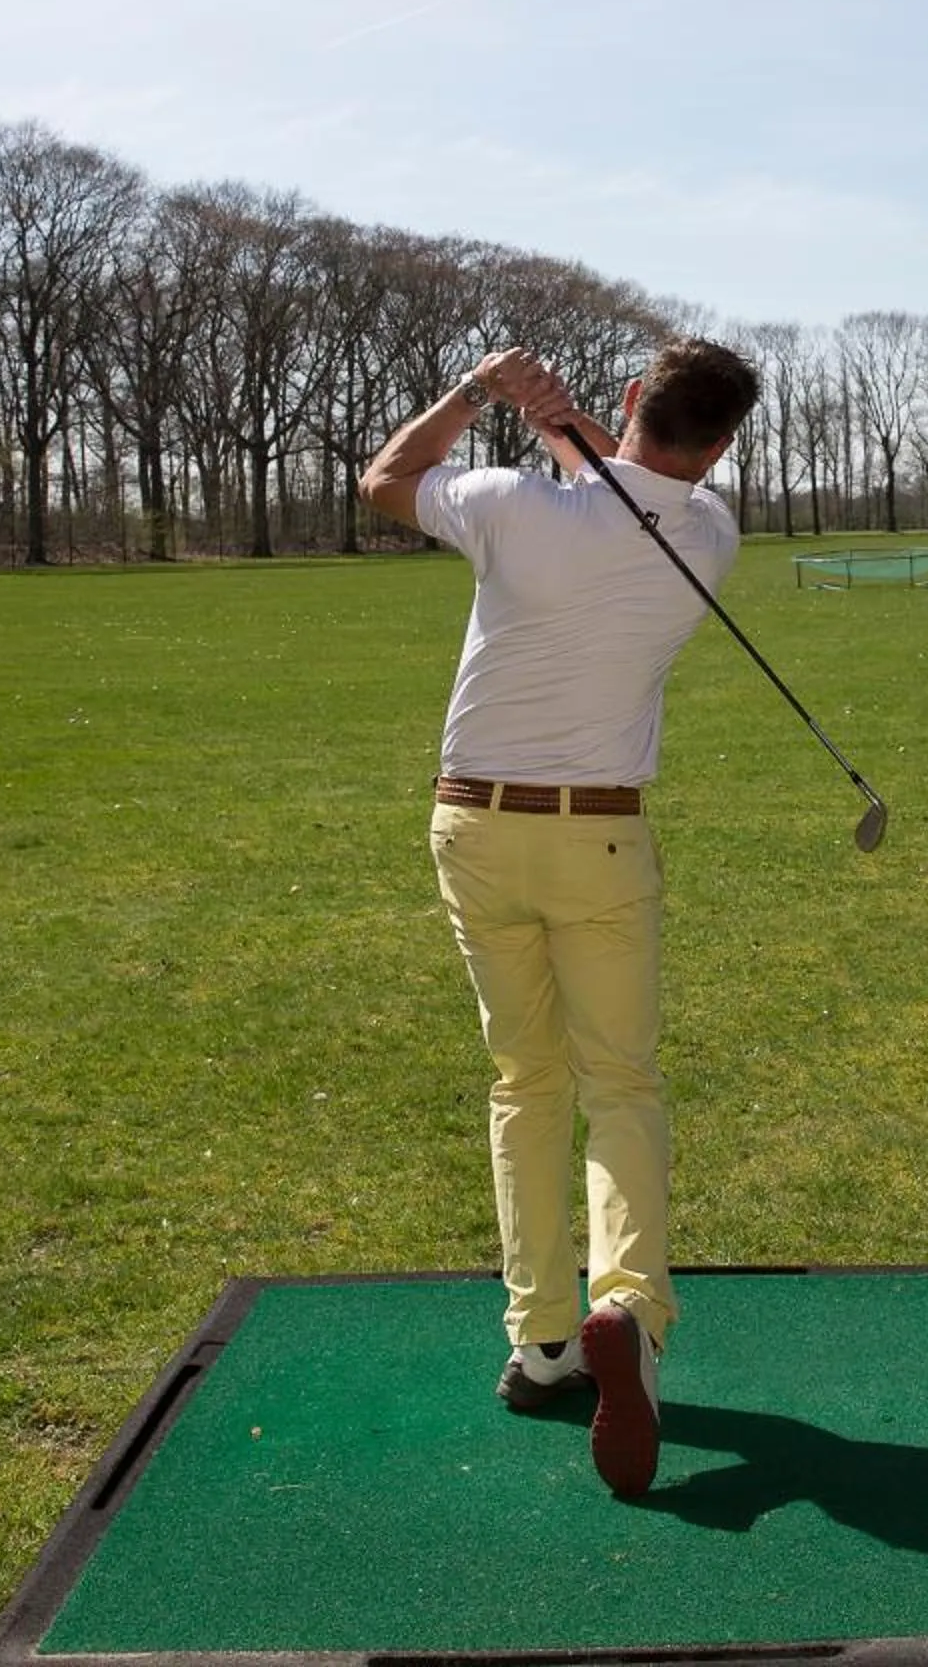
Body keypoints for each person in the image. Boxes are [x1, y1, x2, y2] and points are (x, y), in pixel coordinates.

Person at [358, 335, 761, 1499]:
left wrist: (481, 390)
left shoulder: (507, 503)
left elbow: (385, 478)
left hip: (476, 828)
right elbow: (628, 489)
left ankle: (541, 1342)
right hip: (602, 839)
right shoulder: (709, 534)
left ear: (632, 398)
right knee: (619, 1083)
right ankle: (625, 1303)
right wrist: (557, 416)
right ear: (720, 445)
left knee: (524, 1082)